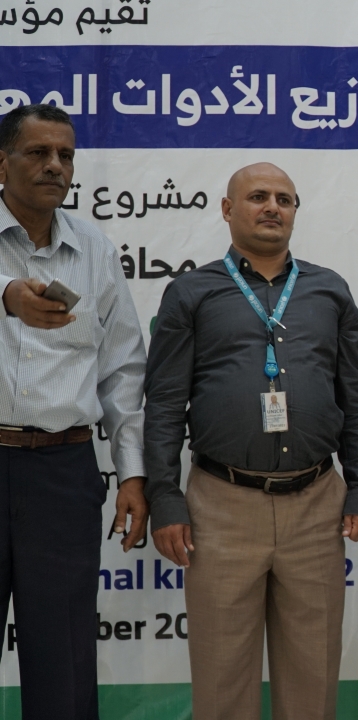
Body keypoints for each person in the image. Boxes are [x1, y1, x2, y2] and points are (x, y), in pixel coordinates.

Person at [143, 163, 358, 720]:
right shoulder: (191, 292)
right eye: (257, 197)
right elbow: (165, 404)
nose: (272, 207)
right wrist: (165, 498)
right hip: (221, 506)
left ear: (295, 211)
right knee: (222, 684)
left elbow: (357, 397)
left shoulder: (330, 290)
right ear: (228, 210)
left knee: (313, 684)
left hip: (317, 507)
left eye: (284, 199)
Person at [0, 103, 149, 719]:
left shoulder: (94, 248)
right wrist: (6, 295)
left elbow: (123, 370)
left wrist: (132, 473)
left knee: (63, 663)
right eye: (38, 153)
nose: (55, 166)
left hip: (62, 475)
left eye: (65, 155)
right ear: (2, 163)